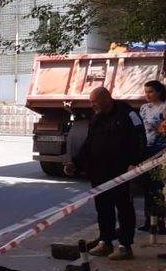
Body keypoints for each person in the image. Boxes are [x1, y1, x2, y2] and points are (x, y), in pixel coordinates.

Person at [65, 87, 146, 260]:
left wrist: (134, 163)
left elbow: (140, 140)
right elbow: (89, 144)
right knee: (103, 208)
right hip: (99, 172)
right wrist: (75, 163)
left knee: (124, 208)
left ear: (106, 98)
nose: (91, 105)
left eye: (94, 101)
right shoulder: (96, 118)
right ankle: (105, 242)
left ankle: (125, 246)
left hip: (121, 172)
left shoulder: (128, 114)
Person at [139, 80, 166, 232]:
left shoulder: (164, 107)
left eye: (150, 92)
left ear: (159, 92)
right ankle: (148, 220)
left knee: (159, 187)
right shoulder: (144, 108)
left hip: (160, 149)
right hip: (147, 147)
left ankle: (160, 222)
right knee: (147, 186)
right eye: (146, 91)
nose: (147, 95)